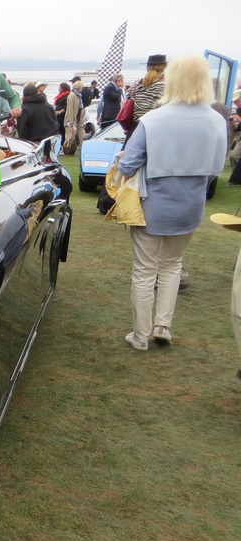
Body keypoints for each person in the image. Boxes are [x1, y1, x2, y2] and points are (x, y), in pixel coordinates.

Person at [118, 56, 226, 351]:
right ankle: (162, 325)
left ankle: (140, 335)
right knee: (172, 265)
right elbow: (217, 169)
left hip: (152, 204)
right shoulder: (216, 120)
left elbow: (128, 163)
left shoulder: (154, 119)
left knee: (144, 270)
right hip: (191, 205)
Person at [126, 54, 167, 139]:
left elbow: (127, 97)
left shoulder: (137, 83)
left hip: (134, 129)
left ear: (147, 67)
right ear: (164, 69)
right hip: (152, 130)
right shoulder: (163, 86)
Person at [63, 80, 85, 154]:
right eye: (81, 87)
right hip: (72, 118)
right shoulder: (72, 95)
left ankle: (84, 146)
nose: (82, 89)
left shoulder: (78, 95)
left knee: (80, 132)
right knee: (70, 135)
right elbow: (70, 109)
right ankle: (67, 149)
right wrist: (70, 120)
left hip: (78, 117)